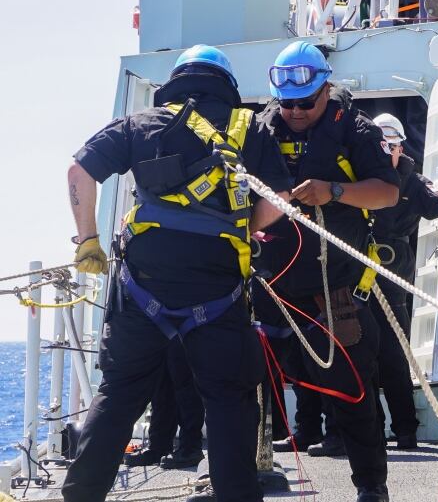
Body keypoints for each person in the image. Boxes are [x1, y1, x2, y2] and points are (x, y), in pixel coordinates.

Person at [64, 44, 291, 502]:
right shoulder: (249, 127)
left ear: (175, 81)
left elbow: (79, 171)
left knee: (120, 394)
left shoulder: (141, 123)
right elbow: (281, 200)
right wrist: (240, 227)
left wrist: (88, 240)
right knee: (228, 401)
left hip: (142, 287)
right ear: (226, 86)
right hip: (219, 291)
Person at [253, 40, 399, 502]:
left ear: (326, 89)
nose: (295, 111)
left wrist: (333, 190)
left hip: (333, 287)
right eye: (288, 102)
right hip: (271, 287)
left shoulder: (355, 131)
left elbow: (387, 193)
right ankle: (250, 473)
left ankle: (372, 487)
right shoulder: (260, 129)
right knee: (248, 386)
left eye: (306, 102)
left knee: (354, 392)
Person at [370, 113, 438, 449]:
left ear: (401, 147)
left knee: (394, 354)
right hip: (355, 269)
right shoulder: (359, 176)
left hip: (393, 268)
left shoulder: (413, 181)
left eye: (392, 146)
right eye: (380, 146)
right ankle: (365, 428)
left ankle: (405, 429)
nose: (386, 153)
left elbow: (437, 203)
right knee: (357, 352)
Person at [123, 338, 205, 470]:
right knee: (161, 385)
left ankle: (191, 447)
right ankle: (158, 446)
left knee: (185, 384)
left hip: (185, 325)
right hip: (162, 326)